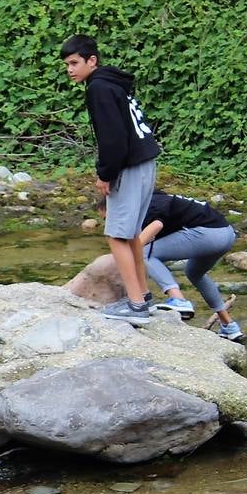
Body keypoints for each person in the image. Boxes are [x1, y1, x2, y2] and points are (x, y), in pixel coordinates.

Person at [62, 34, 160, 326]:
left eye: (74, 63)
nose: (70, 69)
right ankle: (143, 295)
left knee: (116, 235)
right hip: (146, 162)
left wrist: (105, 174)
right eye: (67, 64)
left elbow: (113, 139)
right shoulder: (114, 83)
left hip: (129, 166)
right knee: (129, 234)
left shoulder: (99, 88)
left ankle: (136, 305)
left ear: (92, 60)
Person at [140, 190, 244, 341]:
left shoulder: (151, 202)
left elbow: (154, 228)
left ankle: (178, 300)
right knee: (194, 272)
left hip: (209, 234)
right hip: (227, 234)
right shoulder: (167, 199)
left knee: (142, 252)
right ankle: (229, 325)